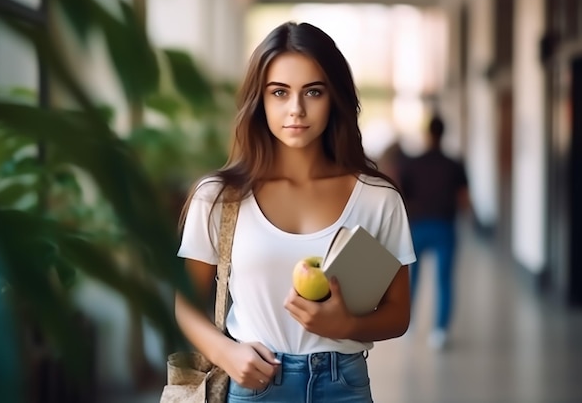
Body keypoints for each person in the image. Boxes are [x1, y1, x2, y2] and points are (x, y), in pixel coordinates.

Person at [174, 21, 416, 402]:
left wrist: (347, 323)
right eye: (279, 92)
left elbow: (399, 314)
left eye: (313, 92)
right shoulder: (220, 197)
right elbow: (185, 303)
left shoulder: (377, 198)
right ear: (260, 101)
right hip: (254, 384)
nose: (296, 109)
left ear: (334, 98)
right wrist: (227, 353)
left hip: (345, 385)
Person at [398, 113, 470, 350]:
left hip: (418, 227)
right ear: (443, 133)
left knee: (412, 279)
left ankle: (408, 325)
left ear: (428, 134)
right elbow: (464, 199)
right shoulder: (454, 164)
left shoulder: (413, 163)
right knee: (444, 280)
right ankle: (439, 331)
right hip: (444, 227)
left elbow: (402, 196)